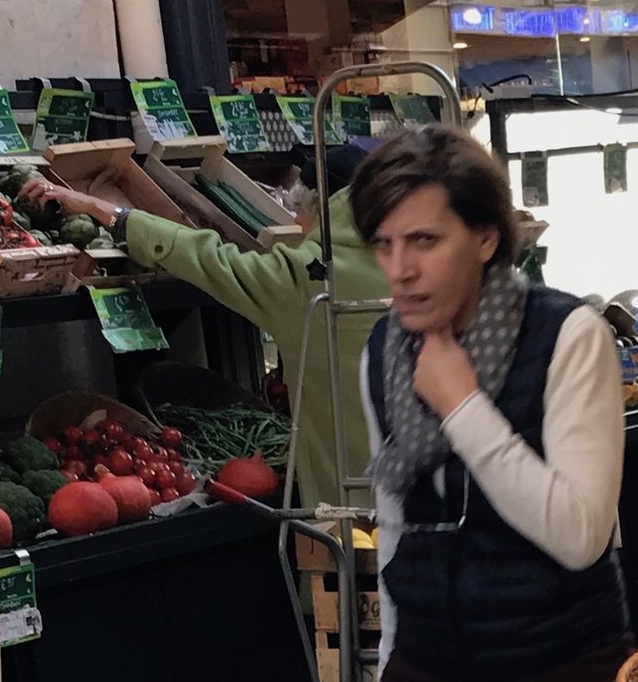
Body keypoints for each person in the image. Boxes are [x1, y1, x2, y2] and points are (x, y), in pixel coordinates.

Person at [346, 127, 630, 682]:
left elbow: (580, 533)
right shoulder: (383, 351)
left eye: (423, 241)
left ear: (485, 238)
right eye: (384, 244)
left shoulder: (569, 337)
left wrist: (464, 406)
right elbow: (396, 519)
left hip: (560, 679)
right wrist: (391, 673)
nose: (399, 270)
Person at [23, 151, 387, 509]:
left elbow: (206, 258)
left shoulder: (305, 279)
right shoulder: (423, 260)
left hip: (354, 507)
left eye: (300, 209)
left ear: (316, 207)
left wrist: (107, 212)